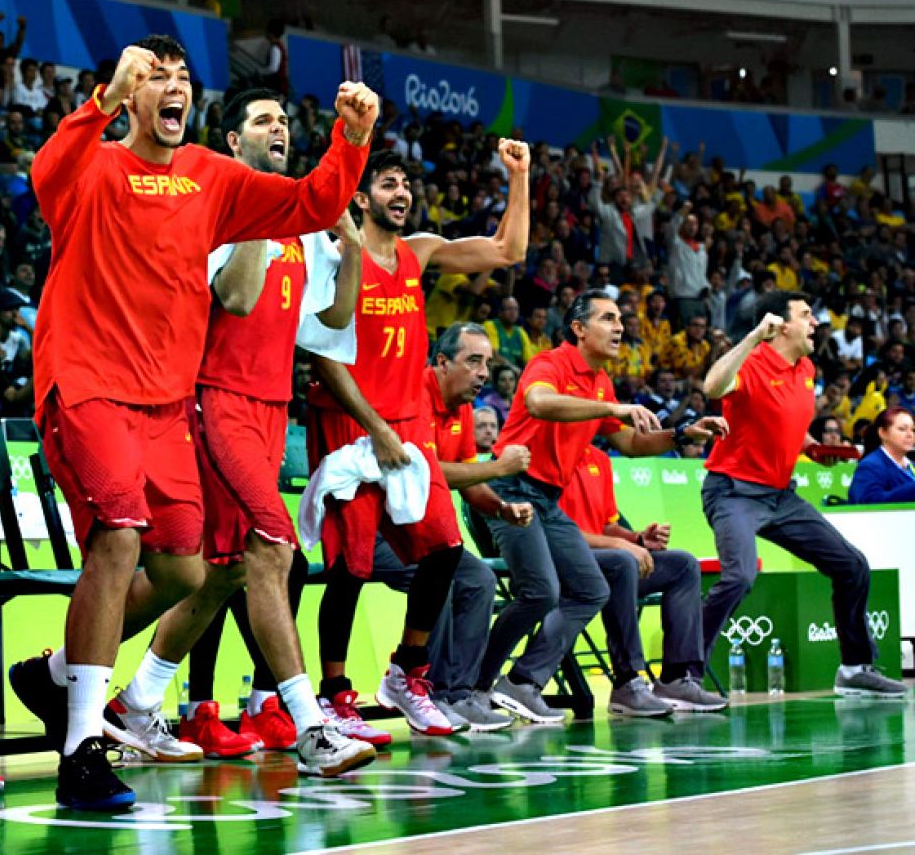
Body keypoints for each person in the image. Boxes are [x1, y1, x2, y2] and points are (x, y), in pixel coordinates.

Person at [7, 36, 375, 811]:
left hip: (165, 402)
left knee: (185, 570)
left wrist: (351, 139)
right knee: (118, 537)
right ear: (133, 94)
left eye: (182, 80)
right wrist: (100, 100)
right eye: (156, 78)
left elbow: (311, 202)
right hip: (87, 385)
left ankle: (57, 678)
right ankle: (82, 746)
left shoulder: (213, 176)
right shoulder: (96, 165)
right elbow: (45, 176)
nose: (172, 90)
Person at [115, 88, 373, 777]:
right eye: (263, 121)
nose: (279, 129)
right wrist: (260, 212)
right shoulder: (217, 209)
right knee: (272, 548)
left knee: (224, 571)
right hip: (214, 401)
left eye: (286, 121)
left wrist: (347, 248)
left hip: (269, 409)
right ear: (233, 143)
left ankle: (136, 701)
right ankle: (311, 724)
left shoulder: (300, 228)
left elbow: (328, 323)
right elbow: (233, 297)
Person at [308, 142, 529, 739]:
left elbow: (509, 250)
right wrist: (374, 427)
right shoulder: (334, 257)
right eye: (387, 184)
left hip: (407, 428)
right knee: (349, 568)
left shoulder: (420, 251)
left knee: (444, 550)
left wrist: (519, 176)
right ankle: (333, 696)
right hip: (349, 426)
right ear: (360, 197)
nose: (401, 193)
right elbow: (321, 355)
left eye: (405, 184)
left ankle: (407, 674)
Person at [473, 291, 726, 723]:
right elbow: (539, 403)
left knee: (592, 589)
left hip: (547, 502)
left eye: (620, 320)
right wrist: (613, 407)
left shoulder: (602, 381)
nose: (619, 327)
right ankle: (473, 685)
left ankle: (521, 682)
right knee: (541, 592)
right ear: (578, 328)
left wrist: (682, 434)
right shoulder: (549, 364)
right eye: (608, 319)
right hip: (511, 488)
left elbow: (630, 441)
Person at [700, 293, 908, 700]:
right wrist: (755, 337)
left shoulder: (807, 368)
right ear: (780, 325)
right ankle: (682, 672)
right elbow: (712, 384)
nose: (817, 322)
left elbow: (786, 422)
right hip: (734, 491)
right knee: (740, 575)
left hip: (780, 494)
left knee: (851, 565)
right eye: (807, 315)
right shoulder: (753, 362)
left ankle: (855, 668)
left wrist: (813, 447)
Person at [327, 323, 530, 732]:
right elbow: (421, 470)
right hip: (383, 526)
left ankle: (458, 694)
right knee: (443, 576)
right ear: (441, 362)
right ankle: (427, 691)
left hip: (421, 532)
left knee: (478, 580)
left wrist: (502, 508)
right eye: (473, 361)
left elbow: (470, 479)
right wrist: (500, 467)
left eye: (487, 364)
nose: (483, 373)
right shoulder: (413, 392)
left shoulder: (463, 408)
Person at [559, 445, 728, 715]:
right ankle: (628, 680)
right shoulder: (549, 456)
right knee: (621, 564)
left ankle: (675, 678)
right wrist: (618, 546)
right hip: (566, 567)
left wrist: (637, 539)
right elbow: (556, 533)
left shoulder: (599, 459)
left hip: (608, 563)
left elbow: (606, 525)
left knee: (683, 565)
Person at [848, 407, 915, 504]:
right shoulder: (870, 466)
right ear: (883, 433)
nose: (910, 434)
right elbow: (869, 503)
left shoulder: (911, 465)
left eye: (913, 430)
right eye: (902, 429)